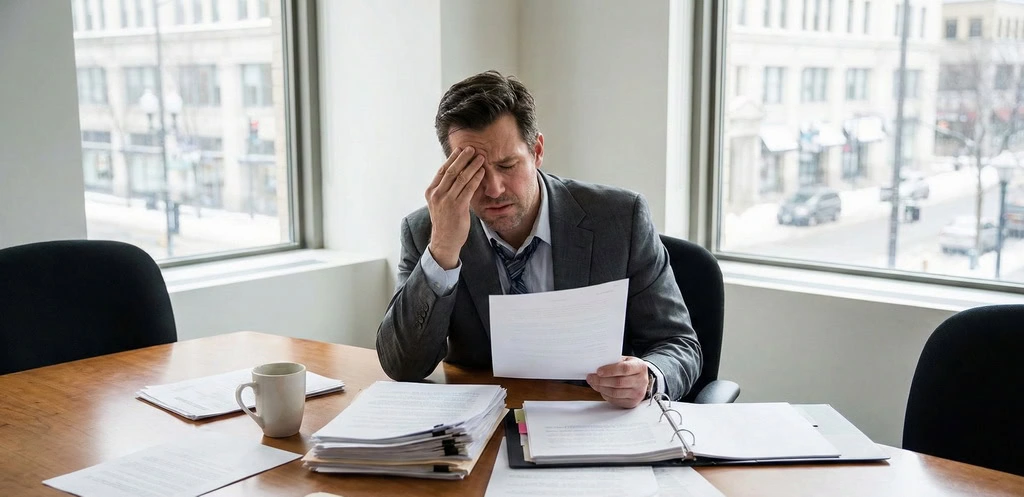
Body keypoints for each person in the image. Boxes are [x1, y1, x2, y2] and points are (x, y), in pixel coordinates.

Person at [376, 71, 702, 408]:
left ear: (537, 151)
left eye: (507, 165)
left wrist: (648, 375)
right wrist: (443, 248)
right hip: (487, 426)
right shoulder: (425, 231)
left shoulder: (621, 219)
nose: (494, 189)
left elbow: (678, 344)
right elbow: (404, 366)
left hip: (593, 416)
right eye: (473, 171)